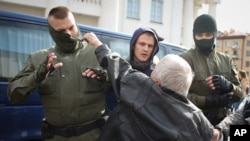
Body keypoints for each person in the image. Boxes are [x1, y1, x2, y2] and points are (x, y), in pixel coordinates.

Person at [83, 32, 218, 141]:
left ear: (158, 83)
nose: (152, 71)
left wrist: (97, 44)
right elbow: (214, 135)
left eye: (155, 69)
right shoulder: (196, 116)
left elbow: (120, 68)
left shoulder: (145, 89)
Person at [7, 6, 109, 141]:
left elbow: (124, 82)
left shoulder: (97, 53)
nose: (69, 34)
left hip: (94, 136)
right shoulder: (39, 58)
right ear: (52, 32)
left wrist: (107, 76)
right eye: (61, 31)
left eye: (72, 27)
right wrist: (37, 76)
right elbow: (13, 96)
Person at [180, 14, 243, 127]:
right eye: (199, 35)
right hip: (194, 125)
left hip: (222, 125)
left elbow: (240, 95)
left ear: (214, 35)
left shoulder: (226, 60)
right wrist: (207, 101)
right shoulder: (184, 60)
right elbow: (177, 95)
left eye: (208, 34)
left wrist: (229, 86)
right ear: (194, 35)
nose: (204, 38)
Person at [105, 27, 162, 112]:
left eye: (150, 46)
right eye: (142, 44)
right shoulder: (120, 68)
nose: (146, 49)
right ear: (133, 45)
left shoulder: (157, 73)